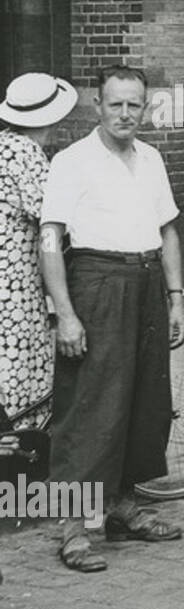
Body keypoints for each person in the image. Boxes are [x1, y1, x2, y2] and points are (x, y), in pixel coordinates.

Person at [39, 65, 184, 572]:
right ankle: (74, 527)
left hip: (147, 281)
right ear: (97, 106)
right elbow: (49, 239)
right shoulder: (71, 161)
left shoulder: (151, 158)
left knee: (145, 399)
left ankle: (124, 506)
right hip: (96, 282)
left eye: (135, 105)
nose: (126, 114)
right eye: (116, 104)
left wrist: (176, 296)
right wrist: (65, 313)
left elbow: (167, 231)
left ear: (145, 108)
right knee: (90, 404)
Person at [0, 73, 78, 430]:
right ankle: (21, 452)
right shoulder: (25, 153)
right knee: (22, 365)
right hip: (14, 283)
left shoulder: (3, 145)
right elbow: (55, 214)